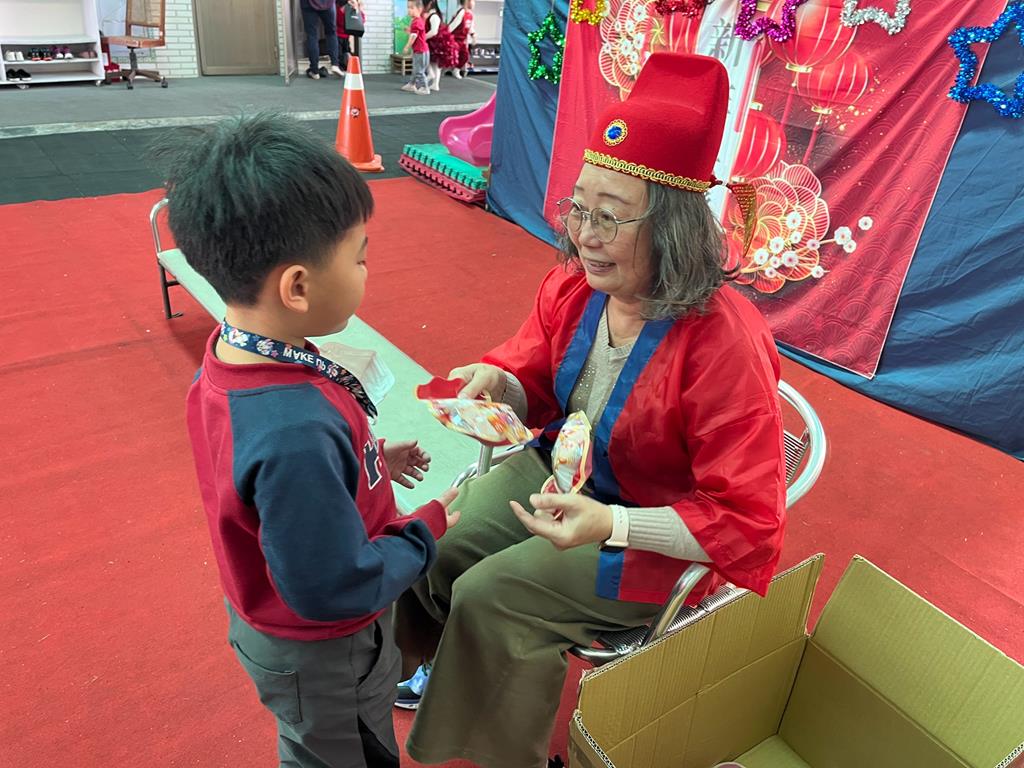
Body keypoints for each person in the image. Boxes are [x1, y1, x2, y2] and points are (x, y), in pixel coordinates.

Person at [393, 53, 787, 768]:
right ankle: (444, 669)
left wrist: (613, 523)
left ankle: (504, 748)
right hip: (565, 470)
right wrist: (499, 384)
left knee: (492, 596)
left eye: (609, 216)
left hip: (650, 529)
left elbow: (749, 519)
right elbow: (536, 377)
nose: (584, 234)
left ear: (673, 228)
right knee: (437, 542)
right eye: (578, 207)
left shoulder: (724, 342)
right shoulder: (574, 289)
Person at [159, 112, 460, 768]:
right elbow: (332, 587)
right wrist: (427, 529)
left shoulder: (237, 354)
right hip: (326, 651)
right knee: (342, 752)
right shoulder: (294, 429)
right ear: (297, 286)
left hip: (278, 626)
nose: (366, 270)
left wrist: (365, 462)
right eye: (360, 257)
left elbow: (266, 486)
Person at [300, 0, 343, 80]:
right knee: (331, 33)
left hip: (308, 4)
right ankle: (335, 64)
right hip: (328, 3)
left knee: (312, 35)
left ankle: (314, 71)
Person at [422, 0, 458, 92]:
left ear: (430, 4)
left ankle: (432, 77)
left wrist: (423, 38)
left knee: (430, 61)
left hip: (436, 43)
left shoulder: (434, 16)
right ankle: (435, 84)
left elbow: (434, 31)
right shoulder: (433, 15)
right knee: (435, 64)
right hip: (435, 42)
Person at [401, 0, 430, 96]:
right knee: (416, 68)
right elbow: (417, 33)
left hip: (420, 51)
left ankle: (425, 87)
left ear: (419, 9)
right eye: (408, 7)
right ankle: (411, 84)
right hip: (422, 50)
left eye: (411, 8)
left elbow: (414, 36)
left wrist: (407, 46)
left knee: (419, 70)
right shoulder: (418, 21)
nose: (409, 10)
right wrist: (409, 30)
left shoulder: (416, 22)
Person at [335, 0, 365, 72]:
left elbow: (361, 22)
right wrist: (345, 8)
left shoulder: (354, 10)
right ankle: (340, 68)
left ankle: (345, 68)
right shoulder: (339, 8)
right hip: (337, 35)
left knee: (346, 52)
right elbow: (339, 21)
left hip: (346, 36)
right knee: (339, 54)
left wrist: (359, 10)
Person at [448, 0, 474, 79]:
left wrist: (473, 36)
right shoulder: (461, 12)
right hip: (454, 39)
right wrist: (446, 35)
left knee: (465, 56)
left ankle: (456, 70)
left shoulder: (470, 14)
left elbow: (470, 27)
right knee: (451, 57)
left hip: (462, 40)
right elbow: (453, 25)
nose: (474, 3)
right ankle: (443, 70)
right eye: (472, 1)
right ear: (467, 1)